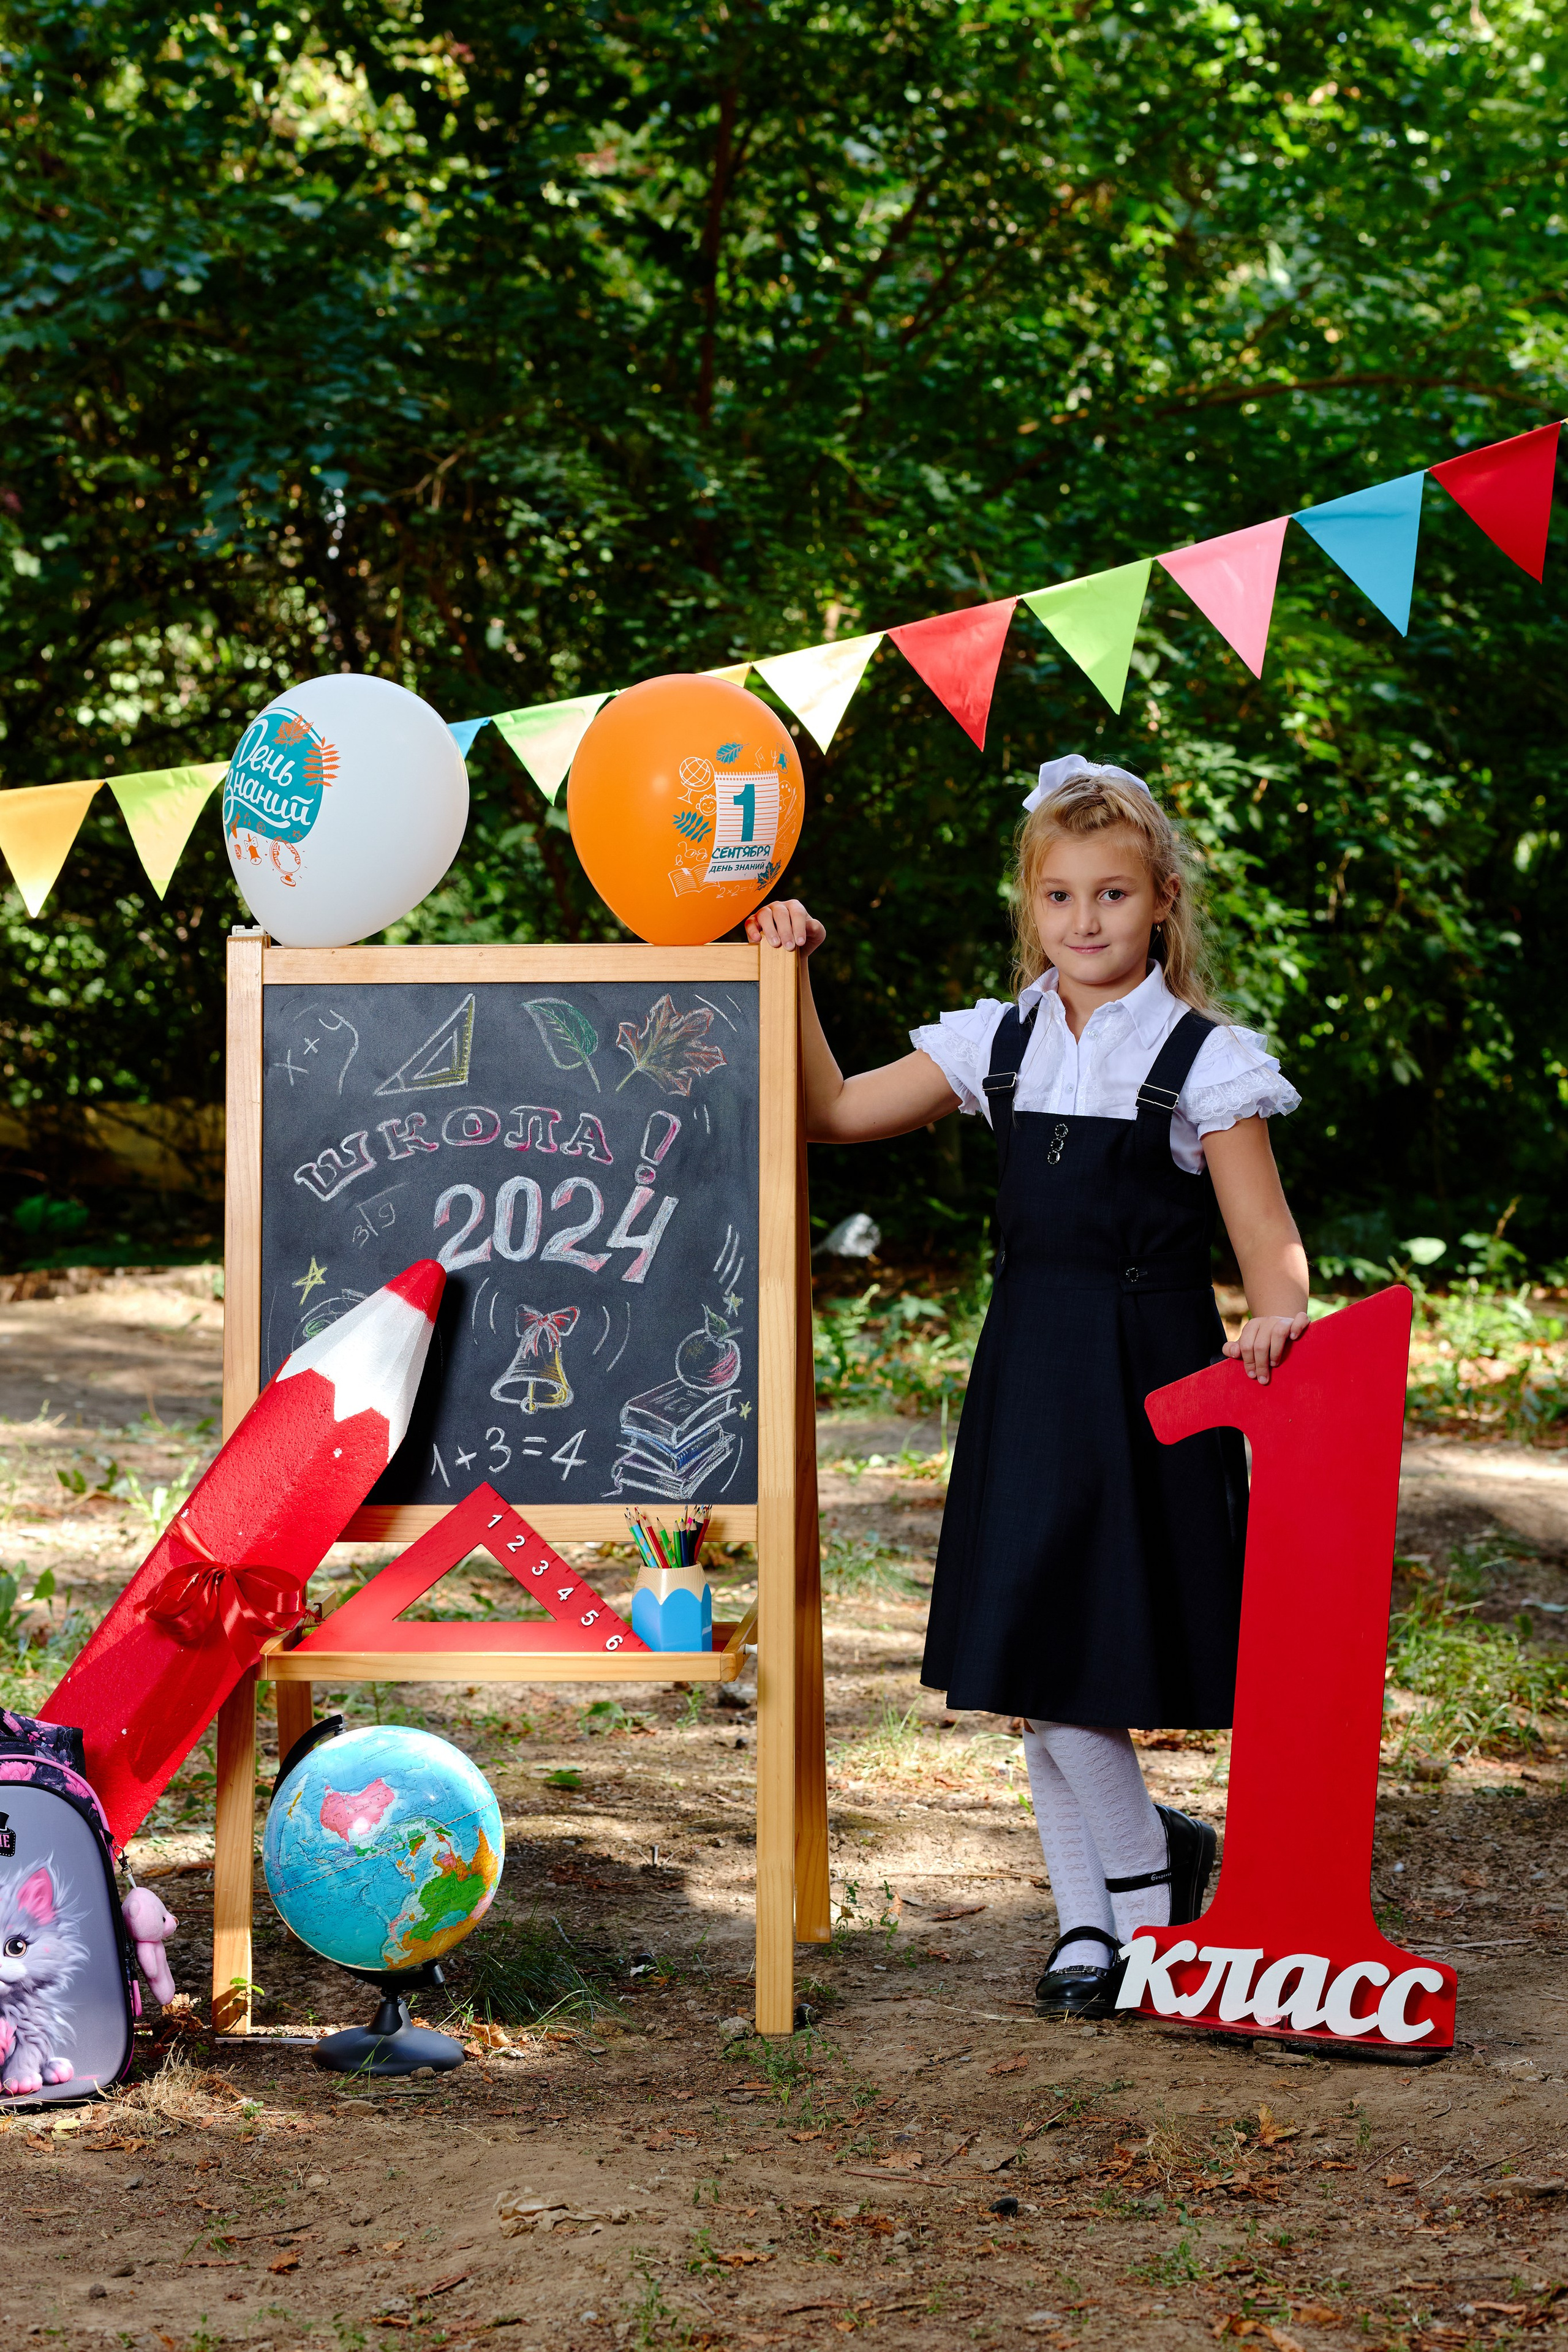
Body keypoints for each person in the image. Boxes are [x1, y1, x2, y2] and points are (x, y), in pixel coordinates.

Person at [745, 753, 1309, 2019]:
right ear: (1029, 907)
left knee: (1081, 1671)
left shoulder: (1202, 1057)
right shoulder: (994, 1040)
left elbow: (1264, 1234)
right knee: (1029, 1668)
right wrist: (784, 971)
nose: (1084, 922)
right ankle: (1096, 1921)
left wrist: (1277, 1327)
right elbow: (828, 1110)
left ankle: (1137, 1925)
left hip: (1147, 1381)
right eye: (1057, 898)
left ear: (1159, 900)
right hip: (1027, 1370)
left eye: (1110, 895)